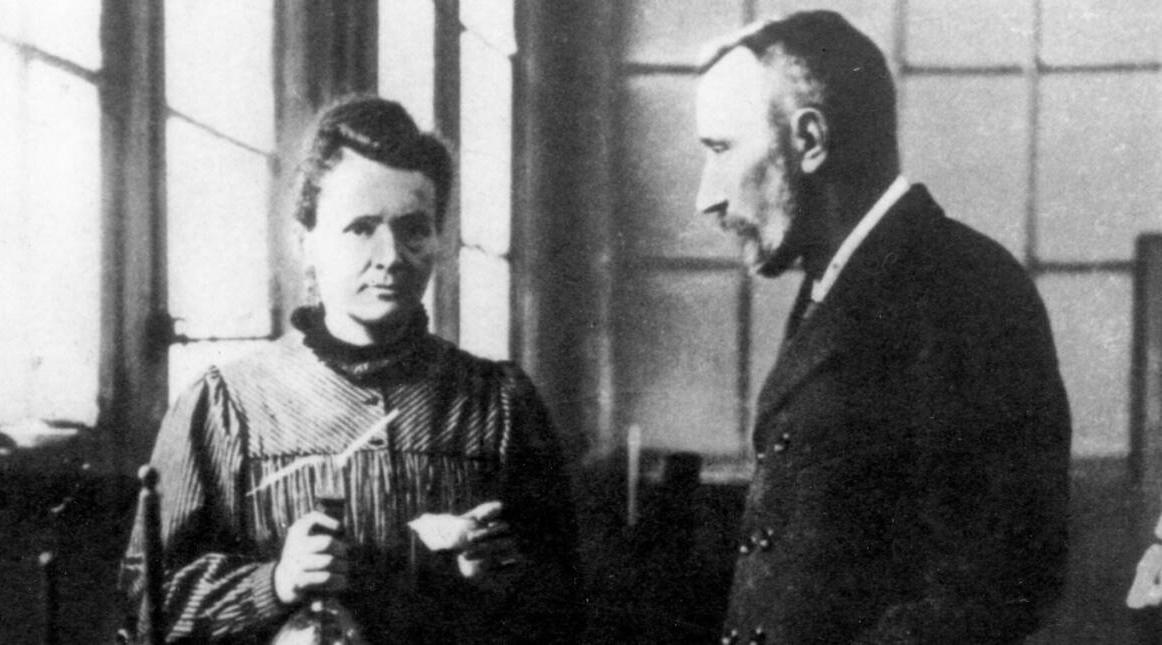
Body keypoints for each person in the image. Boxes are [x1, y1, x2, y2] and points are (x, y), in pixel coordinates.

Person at [118, 96, 581, 644]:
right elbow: (147, 605)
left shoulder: (499, 403)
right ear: (303, 242)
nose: (390, 255)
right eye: (361, 228)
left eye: (414, 229)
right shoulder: (225, 406)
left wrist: (501, 578)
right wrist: (274, 584)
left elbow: (568, 602)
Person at [691, 11, 1071, 644]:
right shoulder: (832, 283)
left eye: (722, 151)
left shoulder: (966, 288)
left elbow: (998, 582)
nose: (706, 197)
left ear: (810, 140)